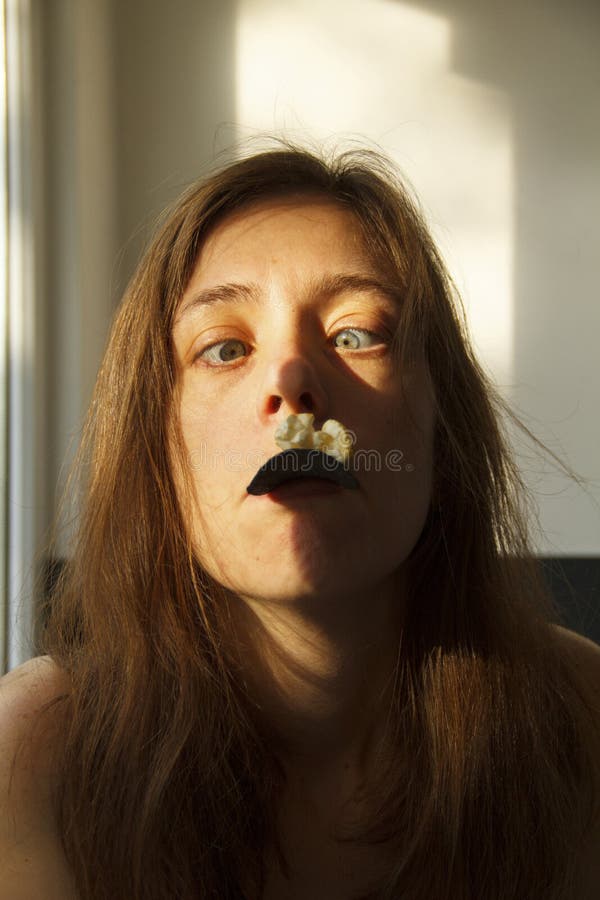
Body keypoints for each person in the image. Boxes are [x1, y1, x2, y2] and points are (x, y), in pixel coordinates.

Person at [1, 144, 599, 900]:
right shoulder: (34, 753)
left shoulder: (581, 720)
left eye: (356, 334)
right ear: (158, 460)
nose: (291, 382)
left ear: (442, 438)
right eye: (223, 348)